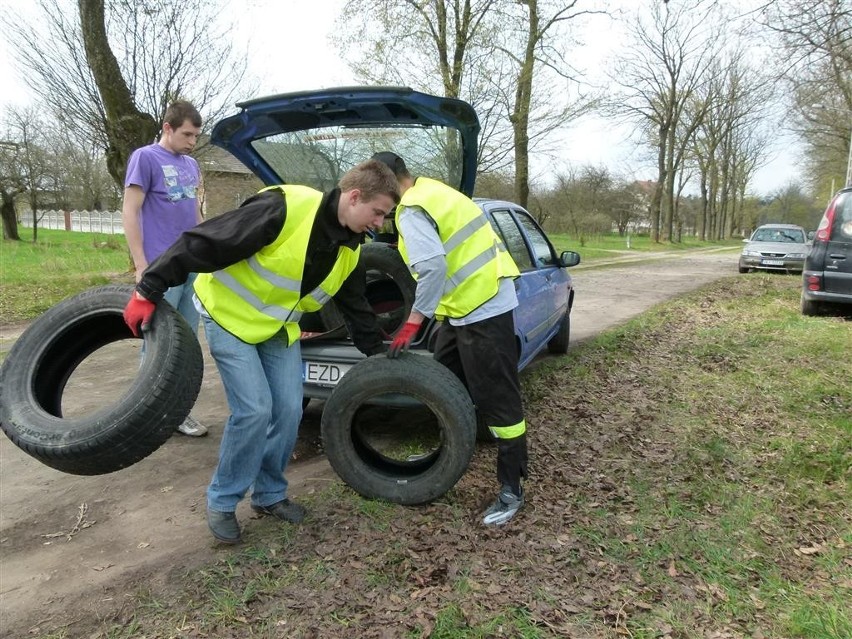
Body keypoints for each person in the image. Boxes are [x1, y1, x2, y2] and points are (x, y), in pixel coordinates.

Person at [122, 159, 399, 544]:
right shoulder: (286, 209)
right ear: (354, 197)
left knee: (287, 410)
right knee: (254, 410)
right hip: (228, 316)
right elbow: (203, 241)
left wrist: (378, 354)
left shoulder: (350, 247)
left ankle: (269, 495)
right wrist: (149, 288)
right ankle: (222, 501)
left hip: (276, 329)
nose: (380, 223)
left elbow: (356, 305)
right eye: (378, 212)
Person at [372, 151, 528, 527]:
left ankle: (512, 488)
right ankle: (445, 459)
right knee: (445, 381)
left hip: (482, 308)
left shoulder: (411, 208)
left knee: (497, 398)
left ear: (389, 181)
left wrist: (412, 323)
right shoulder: (434, 191)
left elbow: (433, 267)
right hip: (468, 307)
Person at [121, 100, 208, 437]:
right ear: (167, 128)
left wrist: (207, 253)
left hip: (192, 265)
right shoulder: (144, 158)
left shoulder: (191, 164)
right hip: (161, 264)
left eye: (196, 136)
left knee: (186, 342)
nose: (192, 141)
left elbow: (194, 215)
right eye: (187, 134)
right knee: (158, 342)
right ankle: (147, 416)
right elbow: (130, 211)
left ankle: (177, 413)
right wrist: (142, 264)